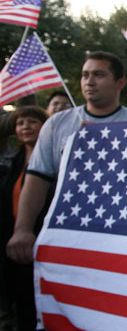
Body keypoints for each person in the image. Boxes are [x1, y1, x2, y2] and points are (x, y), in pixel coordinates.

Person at [6, 51, 127, 265]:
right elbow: (37, 179)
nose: (89, 82)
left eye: (98, 75)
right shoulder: (56, 124)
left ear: (120, 82)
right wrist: (23, 229)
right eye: (85, 75)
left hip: (126, 235)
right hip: (68, 233)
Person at [0, 106, 48, 331]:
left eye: (32, 121)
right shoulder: (9, 163)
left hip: (42, 242)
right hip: (11, 243)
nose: (25, 127)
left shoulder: (55, 161)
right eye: (20, 123)